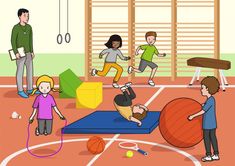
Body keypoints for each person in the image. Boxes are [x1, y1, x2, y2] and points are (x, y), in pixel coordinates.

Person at [188, 76, 220, 162]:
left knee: (207, 139)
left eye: (202, 88)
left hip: (207, 124)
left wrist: (192, 116)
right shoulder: (211, 99)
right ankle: (216, 154)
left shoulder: (210, 100)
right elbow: (206, 106)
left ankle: (209, 155)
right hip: (212, 124)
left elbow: (203, 111)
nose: (201, 90)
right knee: (213, 138)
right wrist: (203, 105)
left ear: (208, 89)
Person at [11, 8, 39, 98]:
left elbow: (31, 40)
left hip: (28, 53)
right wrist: (16, 52)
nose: (27, 17)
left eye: (28, 15)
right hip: (20, 54)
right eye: (25, 15)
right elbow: (12, 41)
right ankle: (20, 90)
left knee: (30, 71)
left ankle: (30, 89)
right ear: (19, 16)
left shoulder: (29, 27)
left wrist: (32, 51)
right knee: (20, 71)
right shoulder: (16, 28)